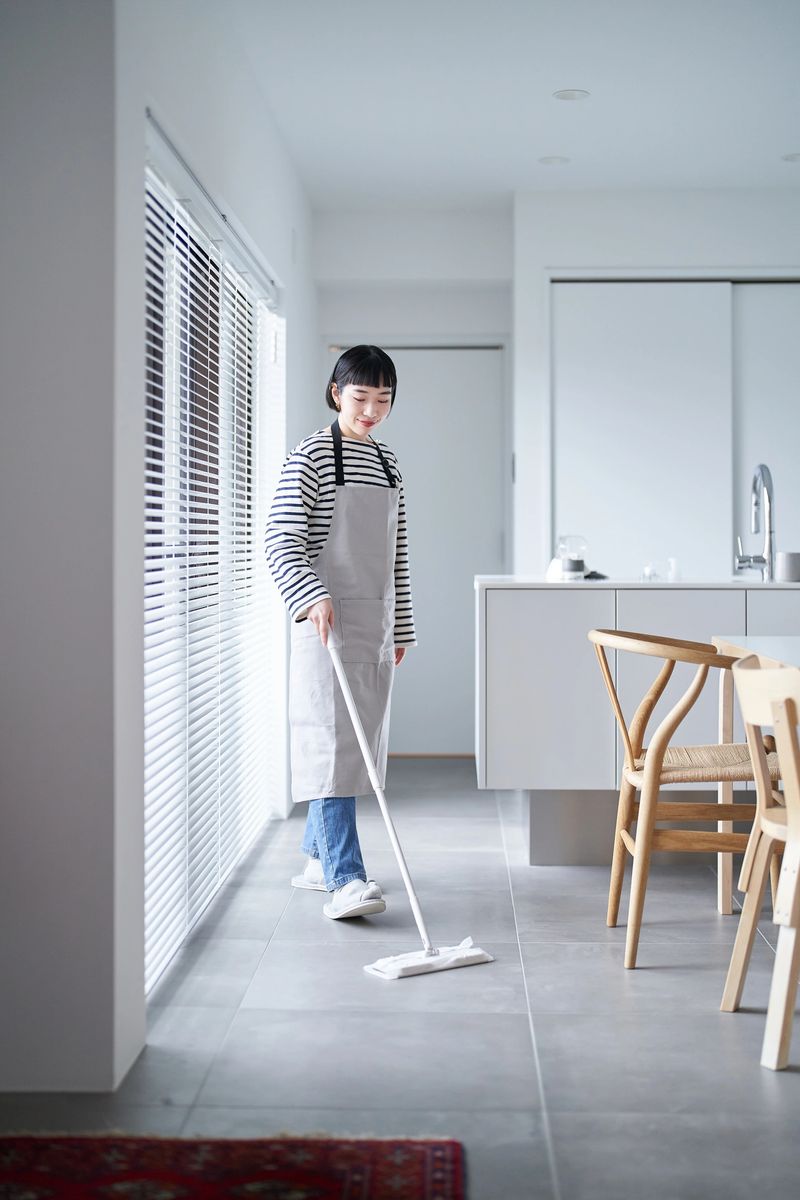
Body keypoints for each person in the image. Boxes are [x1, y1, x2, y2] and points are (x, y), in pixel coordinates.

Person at [265, 345, 416, 920]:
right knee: (329, 746)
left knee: (356, 751)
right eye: (361, 398)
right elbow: (281, 537)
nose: (372, 410)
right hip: (325, 623)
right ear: (336, 394)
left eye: (384, 399)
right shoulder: (311, 457)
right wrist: (311, 595)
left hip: (373, 626)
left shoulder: (387, 463)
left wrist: (399, 625)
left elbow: (397, 553)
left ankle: (316, 859)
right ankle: (345, 878)